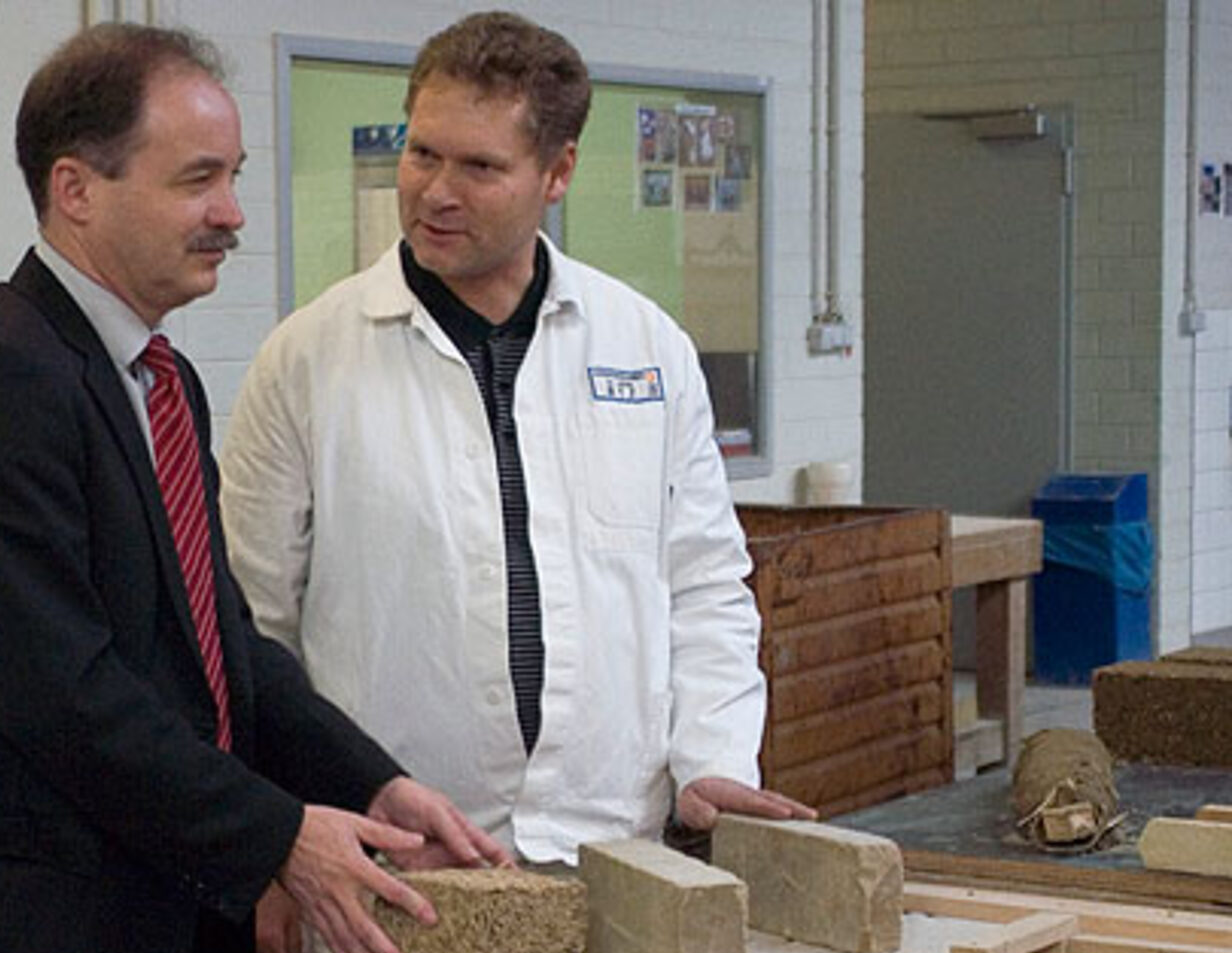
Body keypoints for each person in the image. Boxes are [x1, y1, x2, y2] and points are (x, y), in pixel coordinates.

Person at [0, 22, 506, 953]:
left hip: (164, 927)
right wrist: (277, 834)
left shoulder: (161, 381)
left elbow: (217, 646)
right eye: (198, 180)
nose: (232, 214)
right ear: (76, 190)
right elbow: (61, 692)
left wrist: (368, 783)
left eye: (234, 176)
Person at [222, 10, 814, 873]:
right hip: (394, 854)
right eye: (422, 153)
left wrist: (715, 758)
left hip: (616, 844)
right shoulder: (306, 361)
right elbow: (252, 627)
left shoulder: (646, 348)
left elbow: (703, 586)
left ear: (558, 171)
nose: (435, 192)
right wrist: (283, 837)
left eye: (480, 167)